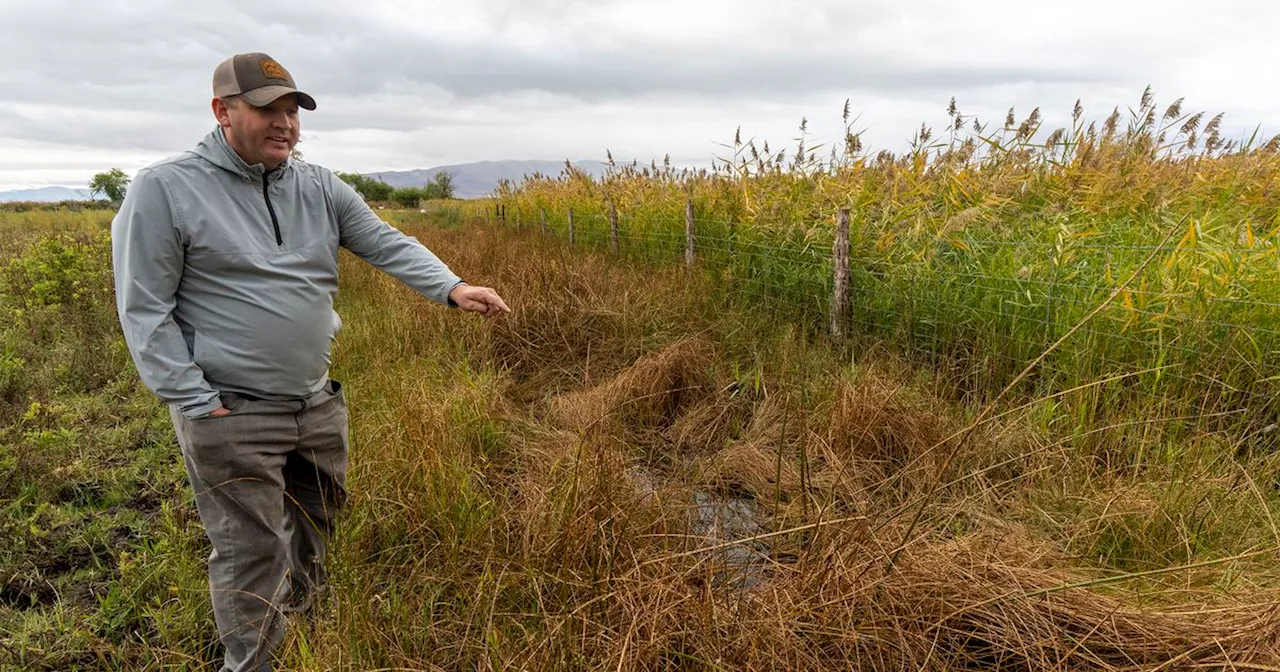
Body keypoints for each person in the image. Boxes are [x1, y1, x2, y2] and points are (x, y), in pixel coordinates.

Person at [111, 52, 510, 672]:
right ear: (222, 111)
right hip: (230, 410)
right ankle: (253, 663)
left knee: (318, 522)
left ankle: (308, 636)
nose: (286, 124)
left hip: (316, 402)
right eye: (268, 108)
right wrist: (197, 402)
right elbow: (144, 310)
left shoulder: (318, 184)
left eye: (293, 110)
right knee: (251, 550)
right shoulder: (165, 188)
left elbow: (382, 239)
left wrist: (451, 287)